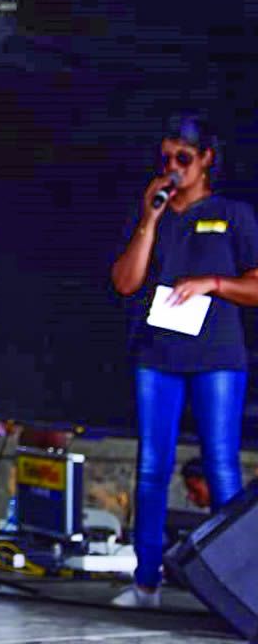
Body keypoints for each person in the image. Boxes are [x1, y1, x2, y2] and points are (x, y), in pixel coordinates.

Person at [109, 112, 258, 609]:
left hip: (217, 355)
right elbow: (126, 282)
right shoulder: (157, 215)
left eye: (183, 159)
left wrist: (213, 283)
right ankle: (146, 580)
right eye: (166, 158)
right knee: (153, 466)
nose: (173, 168)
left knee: (221, 465)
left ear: (206, 159)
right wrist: (149, 219)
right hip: (158, 354)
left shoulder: (233, 214)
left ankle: (236, 586)